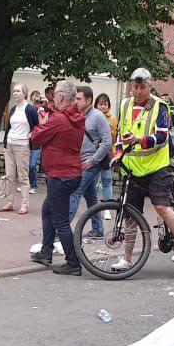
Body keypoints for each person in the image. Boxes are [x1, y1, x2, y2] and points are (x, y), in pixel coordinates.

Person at [112, 68, 174, 267]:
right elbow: (119, 134)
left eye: (143, 87)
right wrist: (116, 154)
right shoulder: (125, 104)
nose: (138, 91)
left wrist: (139, 140)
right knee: (131, 213)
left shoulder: (160, 106)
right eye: (135, 87)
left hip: (157, 167)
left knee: (161, 207)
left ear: (150, 86)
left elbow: (162, 137)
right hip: (133, 168)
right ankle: (127, 259)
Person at [30, 79, 87, 275]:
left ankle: (73, 263)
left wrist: (41, 123)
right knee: (48, 210)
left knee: (60, 221)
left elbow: (35, 138)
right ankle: (46, 252)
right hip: (72, 173)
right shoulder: (77, 118)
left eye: (55, 93)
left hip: (60, 175)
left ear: (61, 96)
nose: (53, 96)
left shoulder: (58, 120)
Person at [69, 85, 112, 237]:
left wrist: (93, 161)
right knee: (91, 196)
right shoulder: (78, 115)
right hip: (81, 161)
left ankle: (62, 228)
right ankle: (98, 229)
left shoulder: (98, 117)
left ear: (89, 100)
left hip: (90, 162)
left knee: (75, 191)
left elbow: (107, 142)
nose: (76, 102)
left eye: (79, 99)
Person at [0, 83, 37, 214]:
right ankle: (9, 203)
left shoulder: (30, 109)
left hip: (22, 146)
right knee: (10, 175)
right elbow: (9, 127)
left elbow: (38, 126)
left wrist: (32, 134)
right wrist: (5, 144)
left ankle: (25, 204)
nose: (15, 93)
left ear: (24, 93)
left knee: (22, 176)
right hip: (9, 145)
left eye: (18, 91)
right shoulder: (13, 109)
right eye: (14, 91)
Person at [93, 93, 116, 205]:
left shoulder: (113, 120)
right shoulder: (91, 118)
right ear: (96, 105)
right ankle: (94, 207)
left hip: (108, 155)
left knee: (107, 181)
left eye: (105, 104)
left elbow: (115, 139)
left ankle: (107, 207)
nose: (103, 107)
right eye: (100, 104)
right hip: (94, 154)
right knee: (92, 182)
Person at [28, 92, 46, 191]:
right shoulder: (27, 110)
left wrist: (42, 109)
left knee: (32, 165)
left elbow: (42, 125)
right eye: (35, 101)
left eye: (39, 101)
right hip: (28, 140)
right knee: (26, 165)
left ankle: (33, 186)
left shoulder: (42, 111)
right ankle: (27, 184)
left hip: (37, 142)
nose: (36, 103)